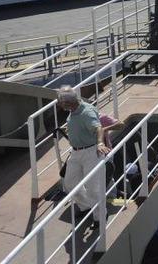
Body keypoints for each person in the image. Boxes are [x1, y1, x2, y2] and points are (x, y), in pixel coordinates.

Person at [58, 85, 109, 227]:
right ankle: (86, 206)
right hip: (75, 152)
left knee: (93, 187)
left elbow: (98, 128)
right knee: (69, 183)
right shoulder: (73, 110)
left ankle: (100, 217)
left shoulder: (86, 112)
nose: (60, 104)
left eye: (62, 102)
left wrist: (100, 143)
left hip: (91, 152)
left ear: (69, 102)